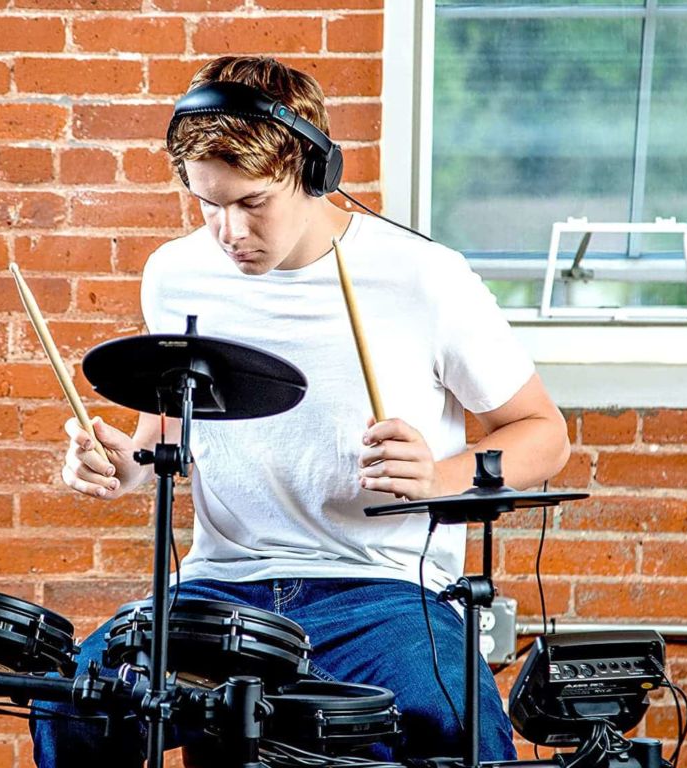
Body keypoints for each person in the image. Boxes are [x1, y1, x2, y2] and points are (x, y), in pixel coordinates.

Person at [32, 55, 570, 767]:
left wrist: (440, 474)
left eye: (251, 203)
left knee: (458, 724)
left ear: (313, 172)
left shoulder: (424, 277)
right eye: (208, 203)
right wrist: (121, 464)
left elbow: (545, 433)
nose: (228, 230)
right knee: (75, 700)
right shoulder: (176, 273)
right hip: (221, 587)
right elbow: (167, 431)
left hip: (383, 593)